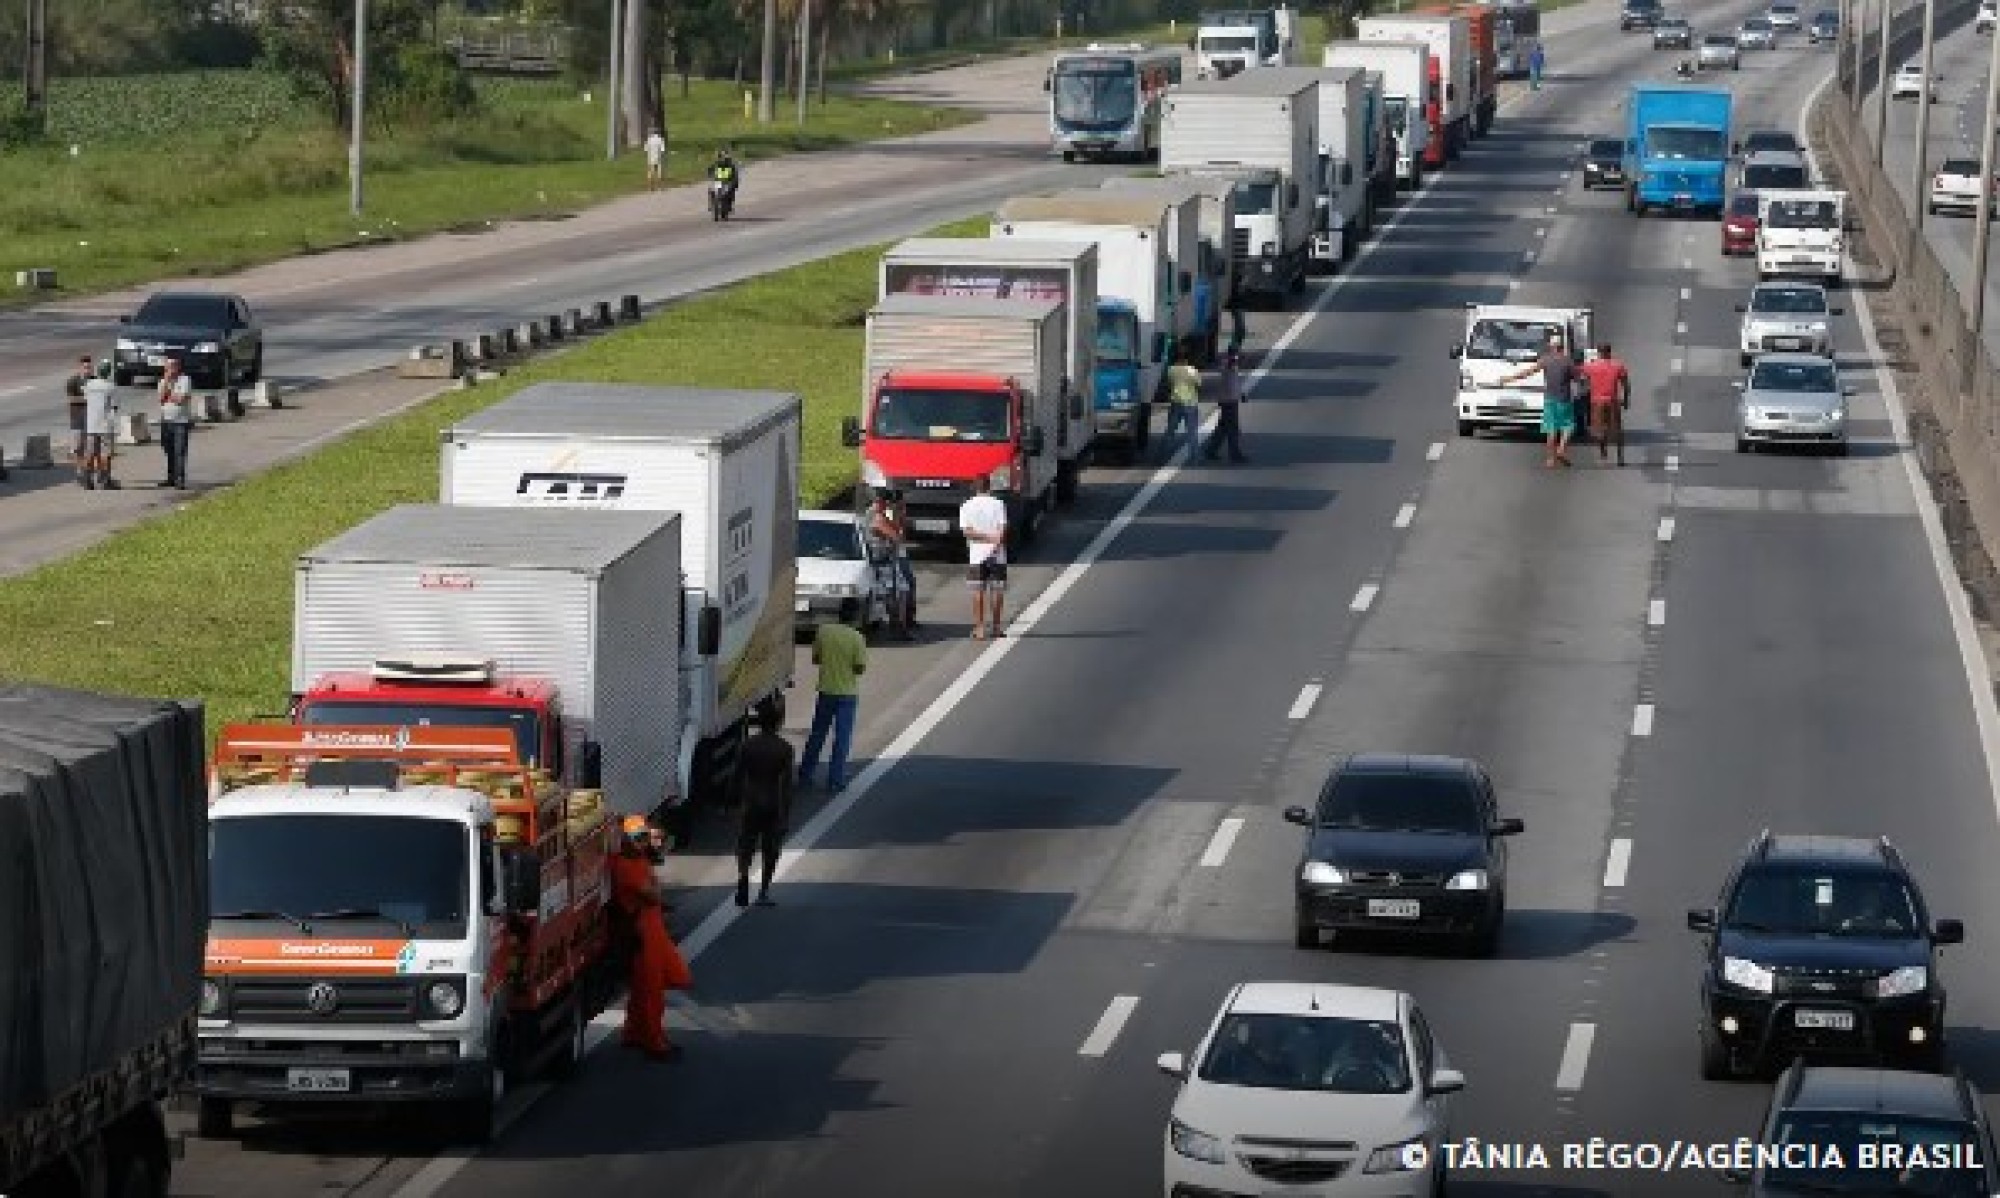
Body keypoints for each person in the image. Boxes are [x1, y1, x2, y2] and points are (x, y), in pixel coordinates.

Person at [610, 815, 689, 1062]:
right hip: (642, 933)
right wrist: (656, 891)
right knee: (650, 989)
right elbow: (651, 894)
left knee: (661, 980)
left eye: (645, 837)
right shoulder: (626, 866)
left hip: (653, 929)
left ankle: (633, 1032)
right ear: (626, 840)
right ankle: (654, 1041)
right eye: (638, 838)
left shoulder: (637, 858)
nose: (642, 843)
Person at [798, 596, 868, 793]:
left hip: (826, 691)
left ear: (839, 613)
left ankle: (805, 774)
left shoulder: (824, 631)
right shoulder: (857, 638)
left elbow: (816, 658)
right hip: (847, 694)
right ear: (855, 616)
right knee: (842, 738)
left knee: (817, 734)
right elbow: (860, 668)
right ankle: (835, 779)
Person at [734, 704, 795, 908]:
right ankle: (763, 892)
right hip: (772, 804)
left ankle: (743, 878)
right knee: (771, 849)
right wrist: (785, 815)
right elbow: (786, 786)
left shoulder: (747, 746)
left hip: (750, 802)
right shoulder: (785, 749)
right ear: (778, 723)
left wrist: (728, 803)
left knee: (746, 845)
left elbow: (737, 776)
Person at [1502, 333, 1579, 469]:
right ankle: (1561, 449)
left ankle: (1550, 459)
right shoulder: (1568, 361)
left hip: (1550, 399)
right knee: (1568, 426)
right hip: (1564, 399)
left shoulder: (1545, 360)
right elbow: (1577, 377)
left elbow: (1528, 372)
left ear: (1551, 346)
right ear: (1562, 347)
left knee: (1551, 429)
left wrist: (1509, 379)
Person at [958, 476, 1009, 639]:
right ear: (989, 487)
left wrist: (985, 539)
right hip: (997, 554)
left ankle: (979, 628)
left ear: (974, 487)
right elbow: (1003, 527)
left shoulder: (966, 506)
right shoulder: (998, 504)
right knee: (997, 591)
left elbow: (967, 532)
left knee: (978, 591)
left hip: (976, 555)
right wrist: (995, 541)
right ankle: (996, 627)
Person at [866, 488, 918, 636]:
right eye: (887, 503)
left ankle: (899, 624)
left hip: (881, 559)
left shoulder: (877, 514)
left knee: (898, 590)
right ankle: (898, 626)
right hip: (881, 561)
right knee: (900, 591)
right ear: (882, 502)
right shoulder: (877, 517)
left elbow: (897, 531)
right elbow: (897, 537)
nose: (888, 506)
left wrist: (899, 516)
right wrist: (898, 519)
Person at [1576, 341, 1632, 466]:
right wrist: (1626, 400)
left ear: (1598, 352)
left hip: (1597, 402)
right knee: (1617, 430)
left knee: (1599, 429)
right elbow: (1626, 385)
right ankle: (1620, 457)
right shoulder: (1618, 366)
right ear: (1610, 352)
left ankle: (1603, 452)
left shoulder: (1591, 366)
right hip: (1613, 401)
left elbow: (1577, 374)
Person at [1203, 350, 1249, 463]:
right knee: (1233, 429)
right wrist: (1233, 359)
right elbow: (1227, 368)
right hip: (1228, 402)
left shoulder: (1233, 368)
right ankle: (1235, 454)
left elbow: (1236, 384)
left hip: (1231, 400)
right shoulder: (1227, 366)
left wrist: (1241, 394)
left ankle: (1211, 450)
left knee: (1222, 428)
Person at [82, 359, 120, 491]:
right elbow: (114, 407)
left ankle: (87, 480)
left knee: (90, 453)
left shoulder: (89, 385)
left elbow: (86, 399)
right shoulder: (110, 387)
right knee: (105, 454)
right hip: (105, 425)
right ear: (108, 372)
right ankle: (104, 480)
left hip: (91, 424)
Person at [156, 357, 193, 489]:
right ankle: (171, 477)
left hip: (181, 421)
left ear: (178, 367)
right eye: (167, 367)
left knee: (180, 451)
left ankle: (180, 479)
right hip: (166, 420)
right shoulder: (162, 381)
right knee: (168, 449)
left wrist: (169, 394)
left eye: (172, 366)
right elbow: (161, 399)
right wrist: (166, 382)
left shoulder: (185, 380)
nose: (170, 370)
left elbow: (181, 399)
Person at [1163, 347, 1204, 463]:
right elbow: (1199, 385)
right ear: (1188, 358)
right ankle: (1195, 457)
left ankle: (1162, 456)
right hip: (1190, 403)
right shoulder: (1192, 370)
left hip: (1176, 402)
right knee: (1192, 432)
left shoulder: (1171, 369)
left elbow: (1169, 383)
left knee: (1170, 431)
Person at [65, 354, 92, 484]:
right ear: (80, 368)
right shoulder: (73, 381)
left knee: (89, 447)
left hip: (91, 419)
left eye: (89, 367)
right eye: (85, 367)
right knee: (77, 447)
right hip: (77, 418)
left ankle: (87, 471)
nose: (87, 370)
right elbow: (71, 399)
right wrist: (87, 398)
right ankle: (79, 471)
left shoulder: (94, 380)